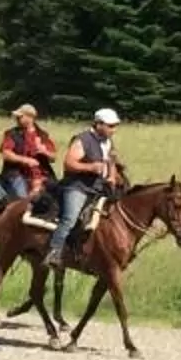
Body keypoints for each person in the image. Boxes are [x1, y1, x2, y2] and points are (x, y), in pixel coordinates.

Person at [47, 108, 124, 266]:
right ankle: (54, 251)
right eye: (110, 126)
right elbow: (69, 163)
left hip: (98, 187)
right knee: (70, 218)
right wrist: (90, 167)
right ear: (98, 124)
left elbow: (111, 161)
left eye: (115, 126)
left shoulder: (108, 142)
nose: (113, 130)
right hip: (78, 187)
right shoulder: (83, 140)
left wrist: (111, 176)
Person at [0, 103, 57, 204]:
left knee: (58, 192)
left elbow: (53, 158)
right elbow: (6, 154)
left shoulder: (43, 135)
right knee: (22, 197)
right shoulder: (12, 134)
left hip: (41, 174)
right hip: (17, 173)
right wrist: (25, 160)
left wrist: (44, 151)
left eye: (20, 117)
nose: (17, 119)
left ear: (30, 117)